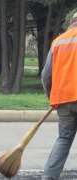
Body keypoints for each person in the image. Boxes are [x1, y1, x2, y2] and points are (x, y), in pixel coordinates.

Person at [41, 12, 77, 180]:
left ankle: (48, 176)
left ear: (70, 22)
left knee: (64, 138)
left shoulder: (58, 42)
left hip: (64, 99)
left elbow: (46, 74)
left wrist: (52, 96)